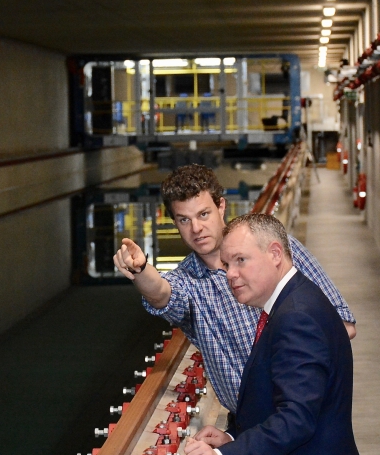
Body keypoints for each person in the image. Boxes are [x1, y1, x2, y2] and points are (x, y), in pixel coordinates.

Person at [113, 164, 355, 415]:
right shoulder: (190, 283)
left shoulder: (277, 248)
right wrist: (140, 269)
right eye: (184, 220)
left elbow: (343, 324)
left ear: (221, 207)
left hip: (306, 412)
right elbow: (162, 293)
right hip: (250, 426)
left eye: (204, 214)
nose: (196, 229)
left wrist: (291, 380)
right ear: (175, 222)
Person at [184, 213, 372, 455]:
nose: (230, 274)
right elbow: (282, 401)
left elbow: (296, 418)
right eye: (226, 265)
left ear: (274, 253)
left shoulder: (296, 317)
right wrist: (234, 436)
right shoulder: (292, 303)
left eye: (240, 260)